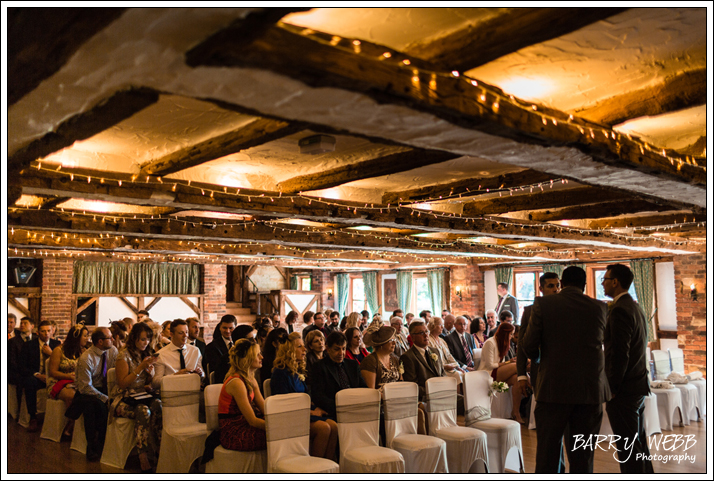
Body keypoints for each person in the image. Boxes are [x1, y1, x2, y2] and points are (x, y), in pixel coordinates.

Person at [522, 266, 610, 473]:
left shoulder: (543, 304)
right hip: (590, 390)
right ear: (585, 284)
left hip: (553, 388)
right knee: (583, 456)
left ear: (561, 283)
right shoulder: (600, 307)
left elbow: (528, 345)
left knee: (548, 454)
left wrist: (541, 359)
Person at [603, 264, 654, 473]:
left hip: (624, 389)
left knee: (628, 447)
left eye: (605, 279)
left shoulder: (620, 310)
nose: (603, 283)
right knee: (638, 443)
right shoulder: (635, 307)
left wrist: (612, 387)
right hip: (638, 384)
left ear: (615, 282)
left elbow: (619, 354)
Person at [271, 332, 338, 460]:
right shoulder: (280, 373)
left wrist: (315, 408)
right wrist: (312, 413)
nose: (304, 349)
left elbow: (305, 396)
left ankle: (328, 467)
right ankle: (314, 468)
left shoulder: (296, 371)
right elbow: (284, 406)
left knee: (334, 426)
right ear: (289, 350)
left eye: (303, 346)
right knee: (324, 428)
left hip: (304, 413)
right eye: (299, 347)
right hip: (291, 417)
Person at [111, 322, 162, 473]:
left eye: (147, 339)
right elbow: (122, 384)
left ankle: (159, 448)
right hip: (123, 398)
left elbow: (147, 384)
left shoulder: (146, 353)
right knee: (143, 411)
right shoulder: (123, 355)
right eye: (142, 339)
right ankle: (143, 455)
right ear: (134, 339)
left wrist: (151, 375)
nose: (145, 343)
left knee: (158, 405)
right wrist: (140, 368)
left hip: (141, 395)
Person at [67, 327, 118, 461]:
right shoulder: (86, 358)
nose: (113, 339)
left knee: (101, 404)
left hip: (106, 389)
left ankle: (104, 442)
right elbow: (85, 387)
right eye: (110, 337)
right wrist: (104, 398)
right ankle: (92, 445)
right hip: (87, 392)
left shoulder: (113, 351)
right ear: (100, 342)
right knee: (93, 405)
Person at [218, 339, 266, 452]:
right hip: (234, 431)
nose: (261, 357)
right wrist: (277, 427)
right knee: (278, 436)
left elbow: (265, 409)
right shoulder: (236, 382)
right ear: (247, 359)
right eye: (257, 354)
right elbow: (252, 421)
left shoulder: (251, 379)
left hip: (245, 423)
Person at [517, 272, 559, 401]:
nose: (555, 289)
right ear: (541, 289)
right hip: (539, 369)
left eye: (557, 285)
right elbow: (522, 343)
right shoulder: (530, 311)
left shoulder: (565, 309)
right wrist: (522, 375)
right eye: (551, 286)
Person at [311, 331, 367, 419]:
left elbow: (363, 387)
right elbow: (318, 396)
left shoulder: (352, 365)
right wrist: (341, 406)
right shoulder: (319, 367)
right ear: (328, 349)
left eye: (343, 349)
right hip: (334, 411)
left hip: (356, 407)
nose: (341, 353)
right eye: (337, 349)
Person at [47, 323, 89, 437]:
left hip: (77, 382)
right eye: (85, 336)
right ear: (76, 337)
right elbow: (53, 372)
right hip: (58, 382)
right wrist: (69, 377)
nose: (87, 338)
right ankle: (71, 425)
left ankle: (74, 426)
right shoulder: (58, 350)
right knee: (73, 395)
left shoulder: (84, 351)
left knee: (86, 395)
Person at [19, 320, 61, 432]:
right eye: (43, 331)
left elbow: (62, 363)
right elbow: (22, 366)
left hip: (53, 376)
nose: (46, 333)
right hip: (36, 377)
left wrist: (51, 354)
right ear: (37, 332)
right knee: (29, 382)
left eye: (48, 331)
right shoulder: (28, 345)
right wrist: (38, 375)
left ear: (52, 331)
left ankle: (56, 419)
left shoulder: (57, 345)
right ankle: (33, 417)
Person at [478, 323, 523, 423]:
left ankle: (515, 412)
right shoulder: (490, 342)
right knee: (517, 366)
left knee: (516, 379)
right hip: (488, 373)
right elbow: (490, 365)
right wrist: (508, 362)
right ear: (505, 333)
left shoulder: (502, 342)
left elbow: (501, 363)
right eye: (511, 334)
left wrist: (508, 362)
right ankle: (528, 381)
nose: (511, 337)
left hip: (497, 371)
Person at [152, 319, 204, 389]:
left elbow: (203, 376)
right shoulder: (161, 354)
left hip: (192, 390)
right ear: (171, 334)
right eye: (181, 333)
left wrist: (200, 373)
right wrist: (175, 376)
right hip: (171, 393)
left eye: (186, 332)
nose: (185, 335)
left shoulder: (195, 351)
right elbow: (156, 383)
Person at [400, 321, 445, 402]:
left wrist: (444, 387)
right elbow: (413, 386)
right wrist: (434, 391)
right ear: (412, 337)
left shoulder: (435, 351)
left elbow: (442, 373)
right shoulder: (408, 357)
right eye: (421, 333)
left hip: (442, 393)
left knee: (466, 401)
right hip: (426, 397)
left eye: (426, 331)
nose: (426, 335)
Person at [427, 317, 464, 385]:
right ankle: (457, 395)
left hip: (449, 367)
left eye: (443, 325)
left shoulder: (442, 340)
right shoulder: (428, 341)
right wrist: (445, 366)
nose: (442, 327)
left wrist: (457, 366)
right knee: (457, 374)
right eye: (440, 325)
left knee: (463, 373)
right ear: (433, 326)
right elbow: (431, 360)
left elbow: (449, 355)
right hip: (440, 370)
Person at [205, 315, 236, 379]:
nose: (227, 331)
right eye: (224, 328)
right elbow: (215, 370)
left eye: (230, 328)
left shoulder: (239, 344)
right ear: (220, 328)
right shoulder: (211, 347)